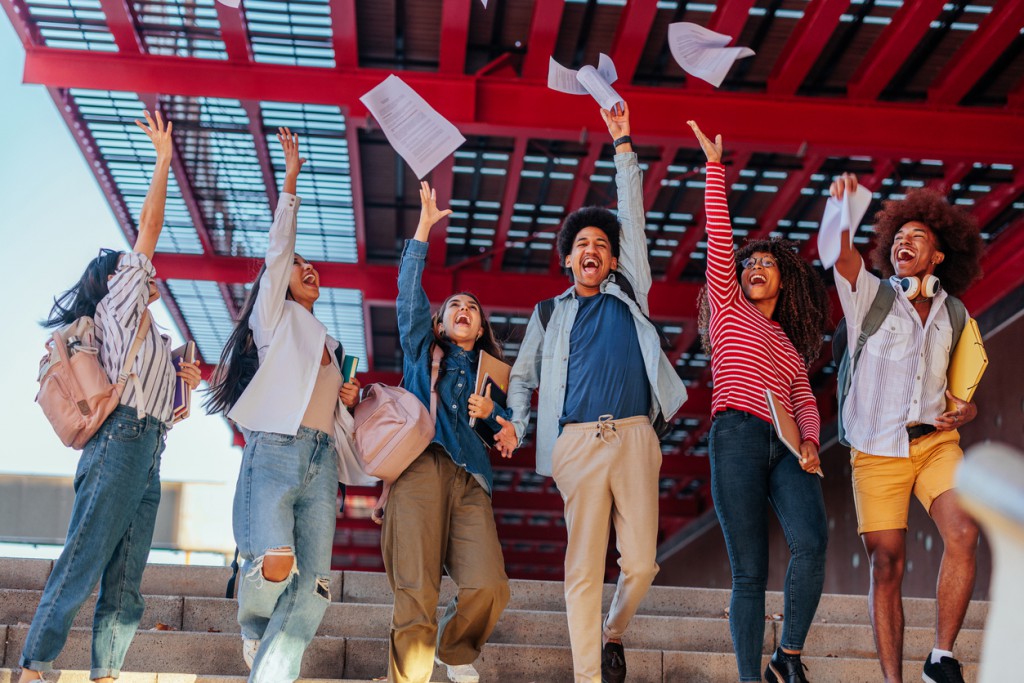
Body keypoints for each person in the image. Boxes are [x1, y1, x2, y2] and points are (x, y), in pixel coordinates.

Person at [504, 102, 687, 683]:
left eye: (601, 246)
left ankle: (612, 632)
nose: (593, 250)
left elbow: (630, 217)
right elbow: (524, 377)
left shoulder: (630, 290)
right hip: (576, 446)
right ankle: (588, 676)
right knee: (582, 568)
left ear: (611, 260)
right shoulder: (546, 313)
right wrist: (521, 426)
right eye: (582, 244)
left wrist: (623, 146)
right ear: (569, 260)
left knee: (641, 563)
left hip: (634, 437)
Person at [19, 111, 202, 683]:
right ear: (117, 276)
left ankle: (107, 675)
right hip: (119, 442)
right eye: (133, 268)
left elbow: (167, 405)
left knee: (126, 581)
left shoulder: (153, 335)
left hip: (148, 447)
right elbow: (147, 232)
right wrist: (164, 161)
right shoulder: (117, 304)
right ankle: (34, 667)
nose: (148, 272)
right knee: (83, 559)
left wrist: (182, 382)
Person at [205, 128, 372, 683]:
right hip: (275, 448)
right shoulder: (273, 321)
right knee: (275, 562)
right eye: (298, 266)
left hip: (323, 461)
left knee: (313, 584)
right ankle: (253, 627)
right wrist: (292, 183)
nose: (307, 269)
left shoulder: (331, 342)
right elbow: (277, 255)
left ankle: (270, 669)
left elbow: (334, 416)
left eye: (310, 265)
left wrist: (346, 402)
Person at [687, 121, 832, 683]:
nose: (752, 268)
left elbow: (804, 398)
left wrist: (813, 442)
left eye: (764, 263)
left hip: (789, 447)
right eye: (748, 265)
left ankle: (787, 655)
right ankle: (751, 680)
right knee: (749, 571)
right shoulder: (728, 308)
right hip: (738, 437)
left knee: (813, 541)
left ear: (784, 280)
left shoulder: (791, 347)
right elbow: (721, 239)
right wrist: (714, 169)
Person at [827, 173, 983, 683]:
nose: (903, 243)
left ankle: (940, 659)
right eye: (897, 237)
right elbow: (839, 254)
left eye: (916, 238)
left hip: (936, 445)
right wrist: (843, 210)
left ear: (938, 259)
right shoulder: (867, 295)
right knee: (887, 564)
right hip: (875, 449)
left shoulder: (954, 314)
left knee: (963, 531)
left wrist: (966, 412)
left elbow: (963, 394)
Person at [382, 180, 513, 683]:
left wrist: (499, 422)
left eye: (472, 308)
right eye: (454, 305)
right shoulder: (422, 351)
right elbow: (407, 292)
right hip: (420, 467)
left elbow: (503, 435)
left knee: (489, 585)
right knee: (416, 590)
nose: (463, 310)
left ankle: (454, 651)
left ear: (480, 329)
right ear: (440, 321)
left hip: (471, 478)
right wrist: (423, 228)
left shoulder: (492, 376)